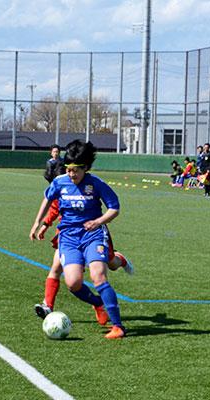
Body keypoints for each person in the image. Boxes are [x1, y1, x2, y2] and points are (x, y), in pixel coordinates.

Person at [30, 140, 127, 339]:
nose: (71, 174)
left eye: (75, 170)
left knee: (98, 275)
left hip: (93, 234)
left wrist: (98, 221)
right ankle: (99, 303)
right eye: (69, 169)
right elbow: (48, 199)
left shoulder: (96, 184)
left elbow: (114, 208)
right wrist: (38, 223)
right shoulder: (60, 182)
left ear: (85, 168)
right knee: (73, 283)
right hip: (68, 237)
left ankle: (118, 326)